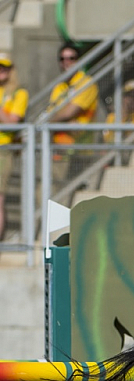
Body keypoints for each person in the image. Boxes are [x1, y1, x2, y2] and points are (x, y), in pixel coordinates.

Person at [46, 43, 98, 191]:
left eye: (71, 58)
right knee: (51, 194)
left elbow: (69, 112)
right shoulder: (60, 86)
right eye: (62, 59)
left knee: (71, 198)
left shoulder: (86, 82)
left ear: (79, 60)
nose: (66, 62)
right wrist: (59, 117)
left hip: (79, 149)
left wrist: (54, 118)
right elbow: (54, 114)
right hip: (60, 149)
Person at [0, 52, 27, 241]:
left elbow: (11, 122)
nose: (1, 71)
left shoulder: (19, 93)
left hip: (4, 150)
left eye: (4, 67)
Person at [104, 79, 134, 144]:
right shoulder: (112, 117)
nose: (132, 100)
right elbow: (107, 140)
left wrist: (127, 117)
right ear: (123, 97)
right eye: (129, 96)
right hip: (111, 151)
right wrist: (123, 116)